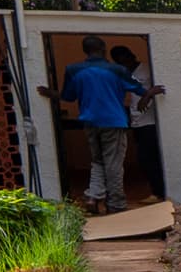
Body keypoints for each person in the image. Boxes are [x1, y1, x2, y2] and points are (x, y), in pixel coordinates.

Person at [57, 34, 155, 211]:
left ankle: (93, 197)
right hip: (114, 121)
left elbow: (68, 96)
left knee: (97, 161)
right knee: (113, 163)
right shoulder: (117, 70)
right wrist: (149, 93)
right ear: (103, 49)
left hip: (89, 122)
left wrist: (50, 93)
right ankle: (116, 203)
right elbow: (139, 89)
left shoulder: (73, 69)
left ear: (85, 51)